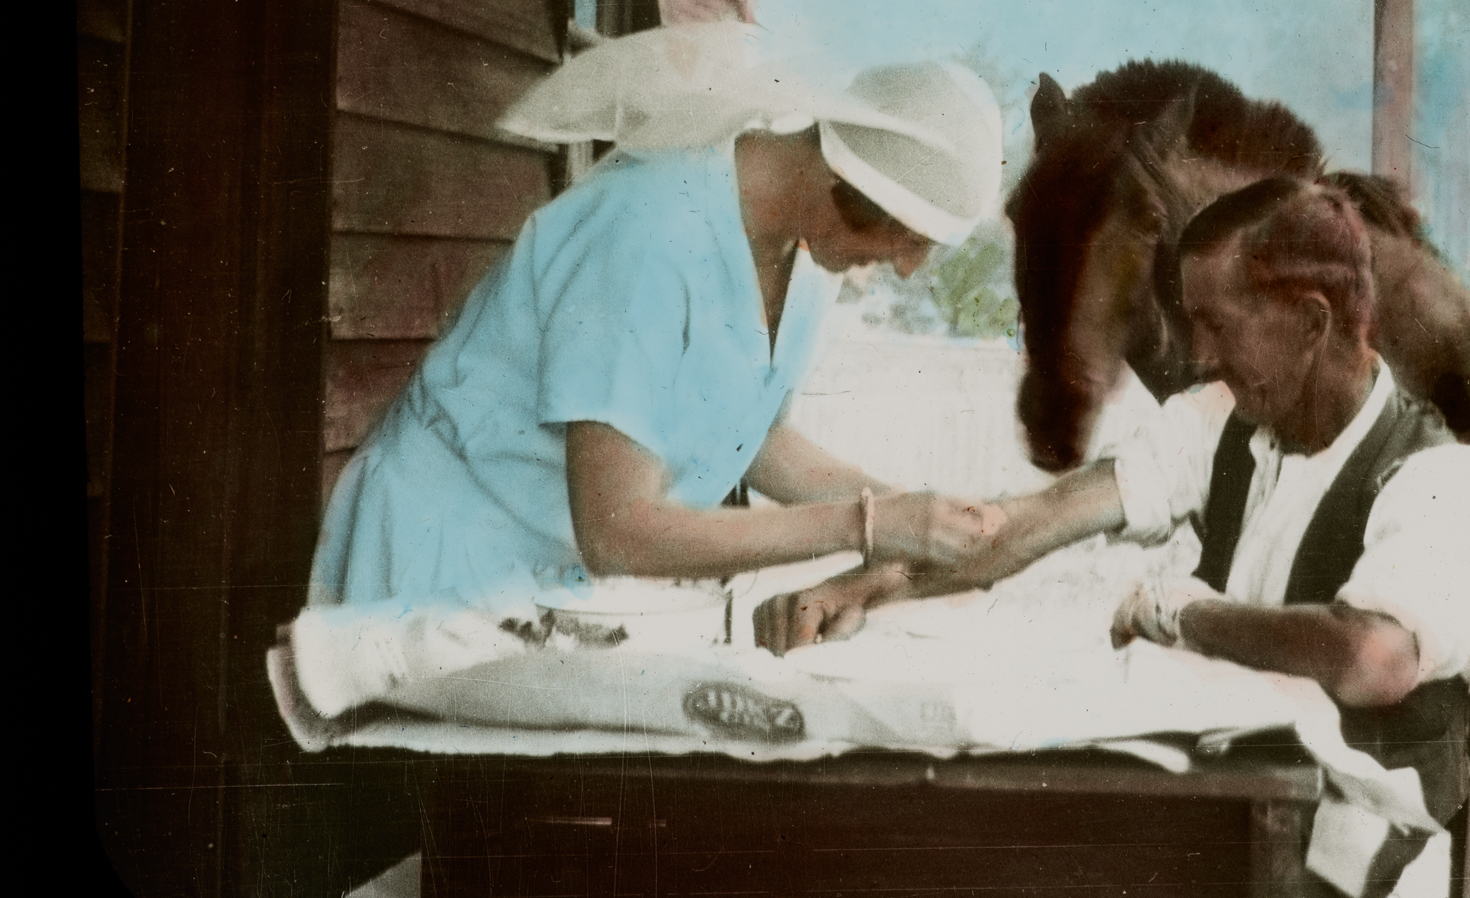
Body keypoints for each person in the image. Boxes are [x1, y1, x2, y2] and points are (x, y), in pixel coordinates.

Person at [758, 174, 1470, 898]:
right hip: (1242, 807)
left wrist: (1181, 613)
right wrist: (865, 584)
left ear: (1309, 322)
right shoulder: (1226, 420)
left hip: (1359, 845)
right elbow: (1030, 526)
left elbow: (1369, 659)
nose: (1200, 354)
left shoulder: (1437, 477)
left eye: (1217, 326)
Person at [308, 32, 1009, 613]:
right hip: (446, 558)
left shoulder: (805, 253)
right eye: (909, 242)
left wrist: (912, 511)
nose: (909, 270)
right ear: (848, 195)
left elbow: (753, 437)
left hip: (553, 577)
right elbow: (617, 530)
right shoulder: (648, 232)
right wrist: (866, 524)